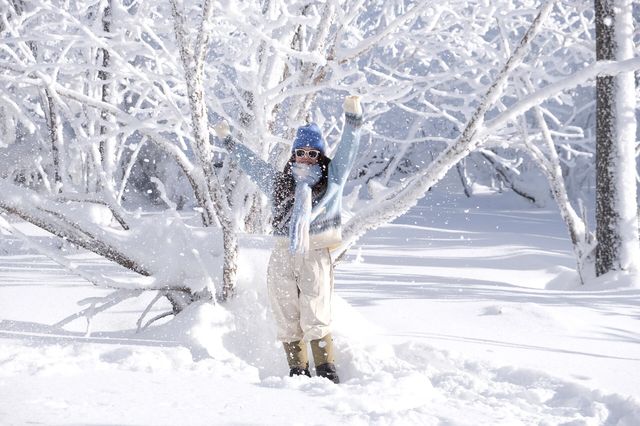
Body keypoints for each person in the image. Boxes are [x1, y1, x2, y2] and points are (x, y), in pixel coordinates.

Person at [214, 95, 363, 384]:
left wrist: (353, 120)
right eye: (300, 152)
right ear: (293, 155)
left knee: (315, 314)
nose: (305, 157)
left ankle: (326, 371)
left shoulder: (332, 180)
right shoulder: (280, 184)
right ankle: (297, 371)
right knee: (286, 314)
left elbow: (348, 148)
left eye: (312, 153)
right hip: (283, 254)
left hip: (316, 253)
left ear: (320, 156)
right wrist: (230, 142)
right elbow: (252, 164)